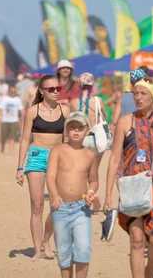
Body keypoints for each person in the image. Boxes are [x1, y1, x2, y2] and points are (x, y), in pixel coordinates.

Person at [104, 77, 153, 277]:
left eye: (143, 93)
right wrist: (108, 194)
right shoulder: (124, 122)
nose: (138, 97)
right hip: (132, 185)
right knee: (137, 240)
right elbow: (113, 160)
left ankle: (149, 271)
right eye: (135, 93)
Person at [16, 75, 71, 261]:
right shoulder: (32, 111)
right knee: (37, 205)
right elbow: (25, 139)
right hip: (36, 157)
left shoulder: (65, 110)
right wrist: (19, 167)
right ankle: (37, 250)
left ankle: (46, 239)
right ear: (41, 91)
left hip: (58, 157)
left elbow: (68, 139)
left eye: (58, 88)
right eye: (51, 89)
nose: (56, 91)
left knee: (58, 205)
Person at [46, 111, 99, 278]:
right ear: (66, 130)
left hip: (81, 209)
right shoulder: (57, 150)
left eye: (80, 127)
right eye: (72, 127)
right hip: (60, 209)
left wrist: (91, 192)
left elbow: (94, 181)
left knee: (83, 248)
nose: (76, 131)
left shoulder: (90, 154)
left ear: (87, 131)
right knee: (64, 251)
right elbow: (50, 176)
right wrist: (54, 195)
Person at [69, 72, 107, 211]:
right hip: (96, 139)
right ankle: (93, 194)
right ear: (92, 85)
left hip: (81, 140)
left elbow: (69, 123)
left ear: (79, 85)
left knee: (80, 171)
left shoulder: (73, 103)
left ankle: (82, 198)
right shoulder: (97, 100)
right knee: (94, 171)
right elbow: (105, 116)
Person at [0, 85, 24, 154]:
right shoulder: (5, 98)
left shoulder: (17, 99)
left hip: (14, 120)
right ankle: (2, 148)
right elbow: (0, 108)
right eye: (11, 91)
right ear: (8, 91)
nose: (13, 92)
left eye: (14, 91)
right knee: (3, 137)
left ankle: (11, 151)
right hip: (5, 120)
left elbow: (21, 110)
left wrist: (24, 116)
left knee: (12, 137)